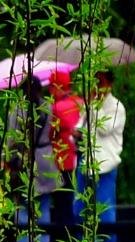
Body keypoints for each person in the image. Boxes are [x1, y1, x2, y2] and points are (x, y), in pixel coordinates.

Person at [73, 70, 126, 242]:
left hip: (105, 165)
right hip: (86, 163)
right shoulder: (89, 105)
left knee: (104, 212)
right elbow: (80, 127)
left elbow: (104, 128)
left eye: (100, 82)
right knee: (79, 210)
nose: (96, 86)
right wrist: (77, 131)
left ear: (109, 84)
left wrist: (92, 105)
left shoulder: (116, 107)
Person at [3, 75, 57, 242]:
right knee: (43, 206)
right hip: (45, 159)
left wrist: (7, 159)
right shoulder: (48, 107)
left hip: (25, 161)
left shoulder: (18, 111)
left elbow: (12, 140)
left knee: (23, 206)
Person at [48, 70, 83, 228]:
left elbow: (50, 134)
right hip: (80, 158)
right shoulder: (81, 103)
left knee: (63, 203)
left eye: (51, 87)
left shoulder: (56, 108)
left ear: (57, 86)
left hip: (61, 160)